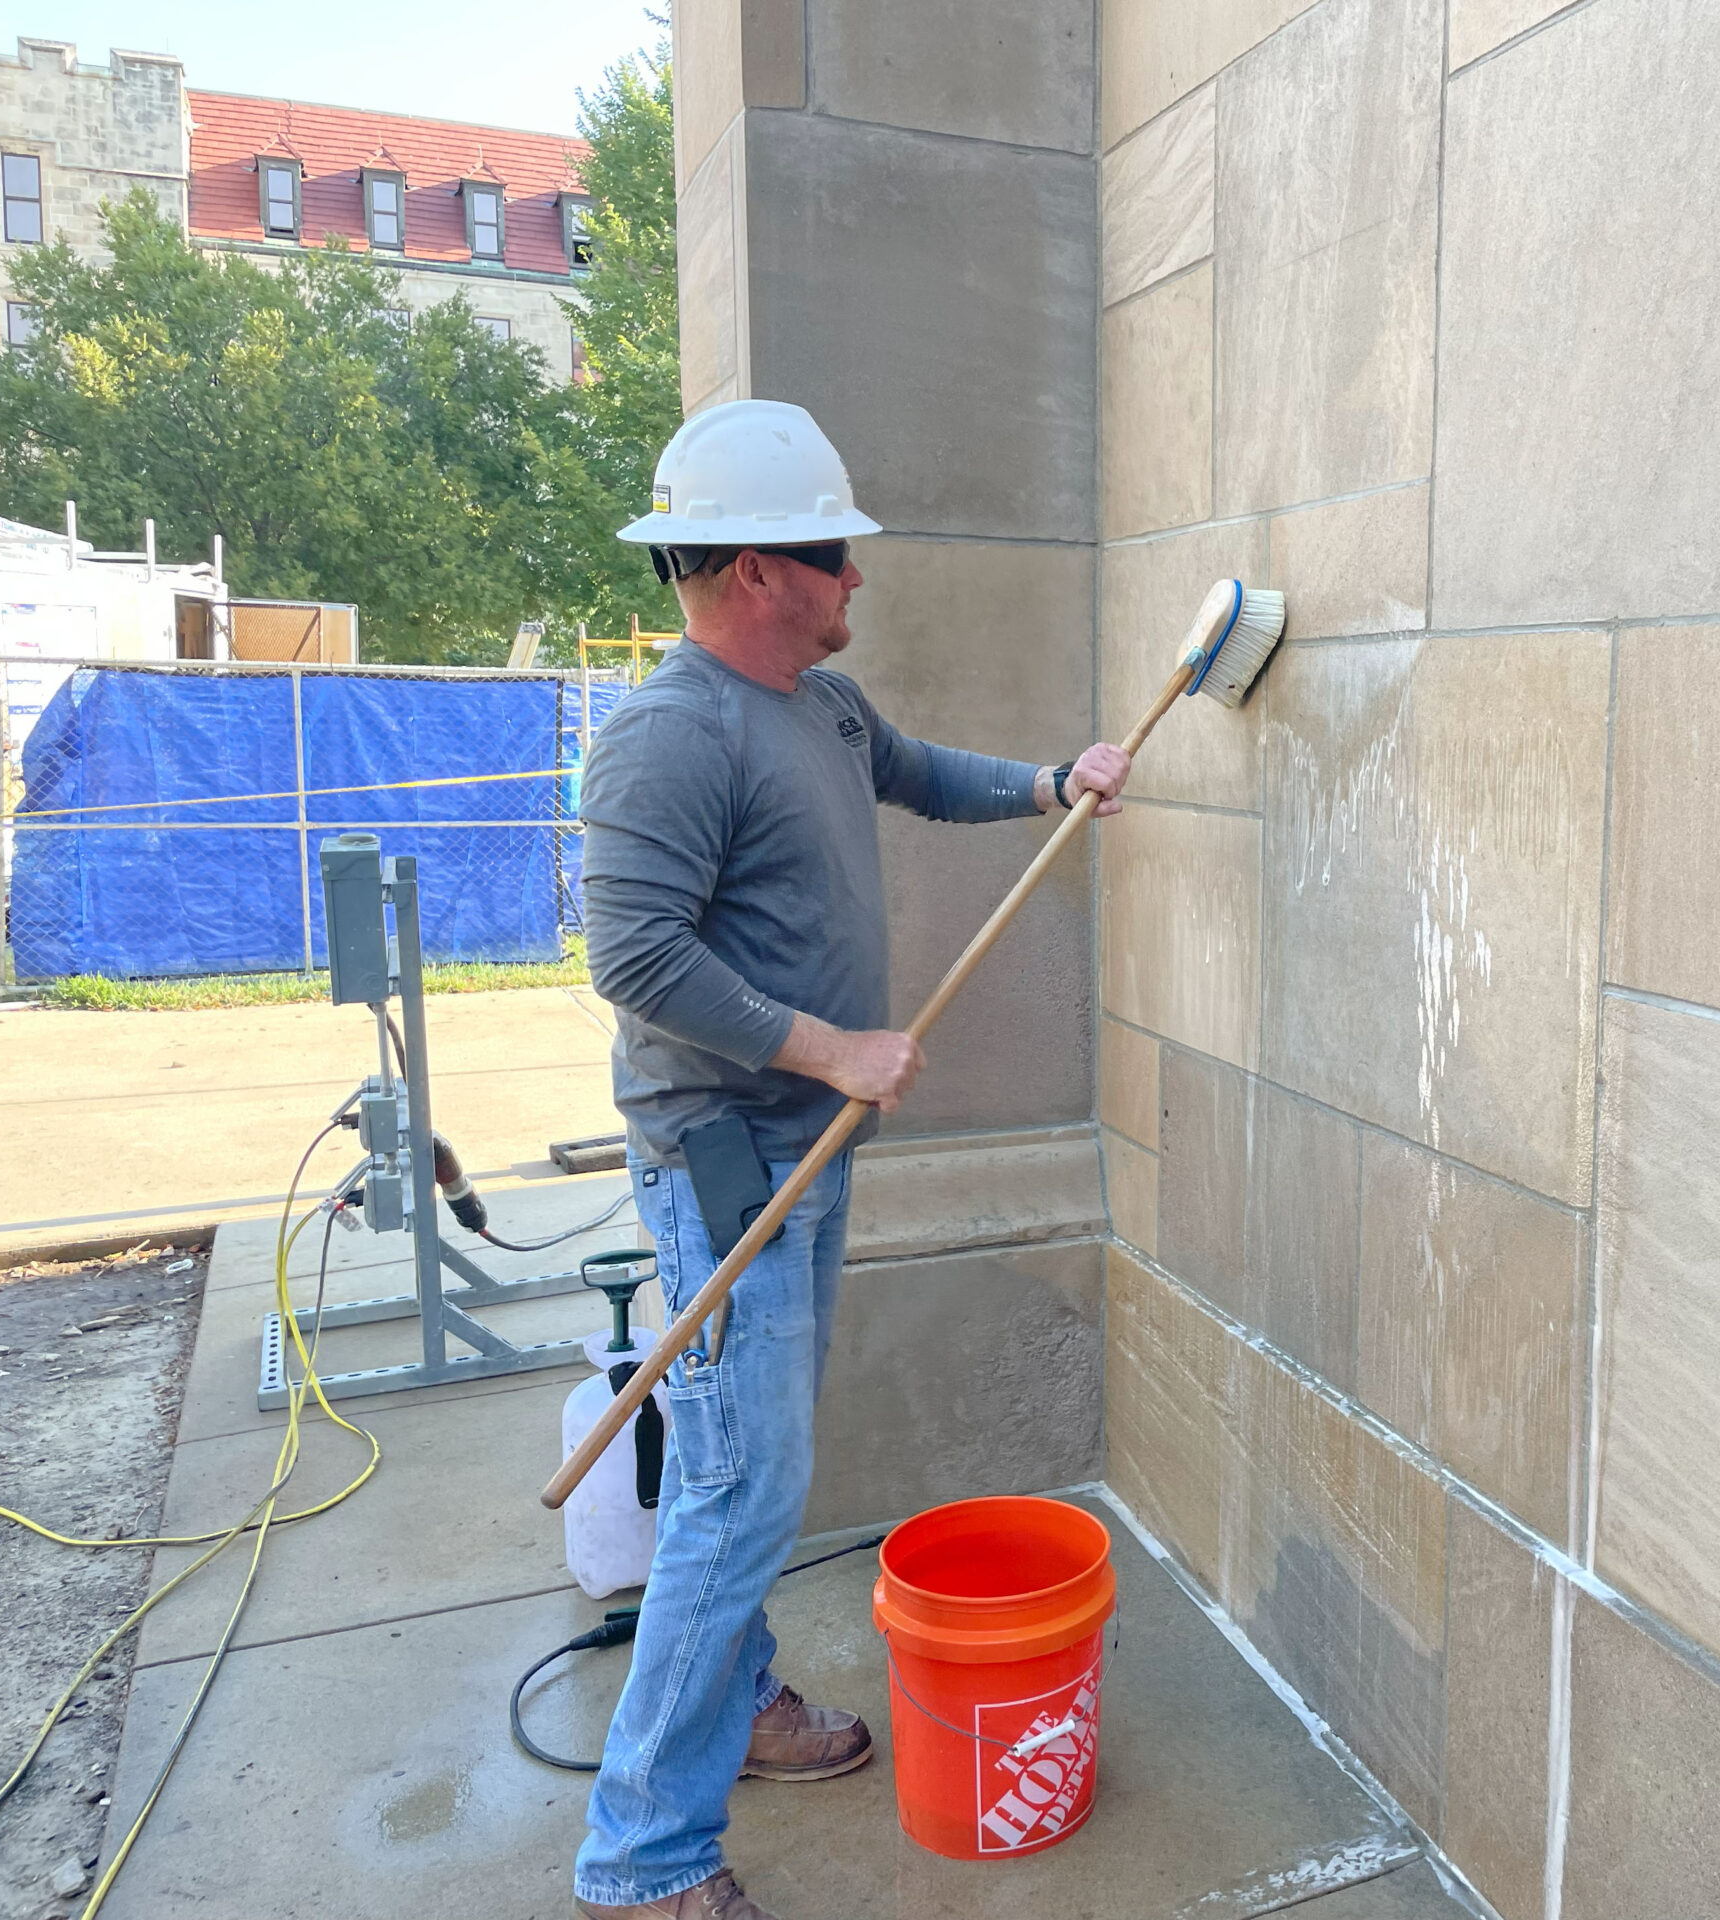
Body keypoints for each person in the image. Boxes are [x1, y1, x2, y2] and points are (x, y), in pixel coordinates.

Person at [570, 399, 1130, 1920]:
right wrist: (831, 1050)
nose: (857, 578)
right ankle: (642, 1859)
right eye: (833, 554)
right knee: (741, 1493)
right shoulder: (668, 735)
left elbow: (920, 770)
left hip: (802, 1151)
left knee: (756, 1471)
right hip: (726, 1158)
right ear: (758, 570)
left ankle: (739, 1701)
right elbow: (633, 957)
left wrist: (1050, 782)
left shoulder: (818, 709)